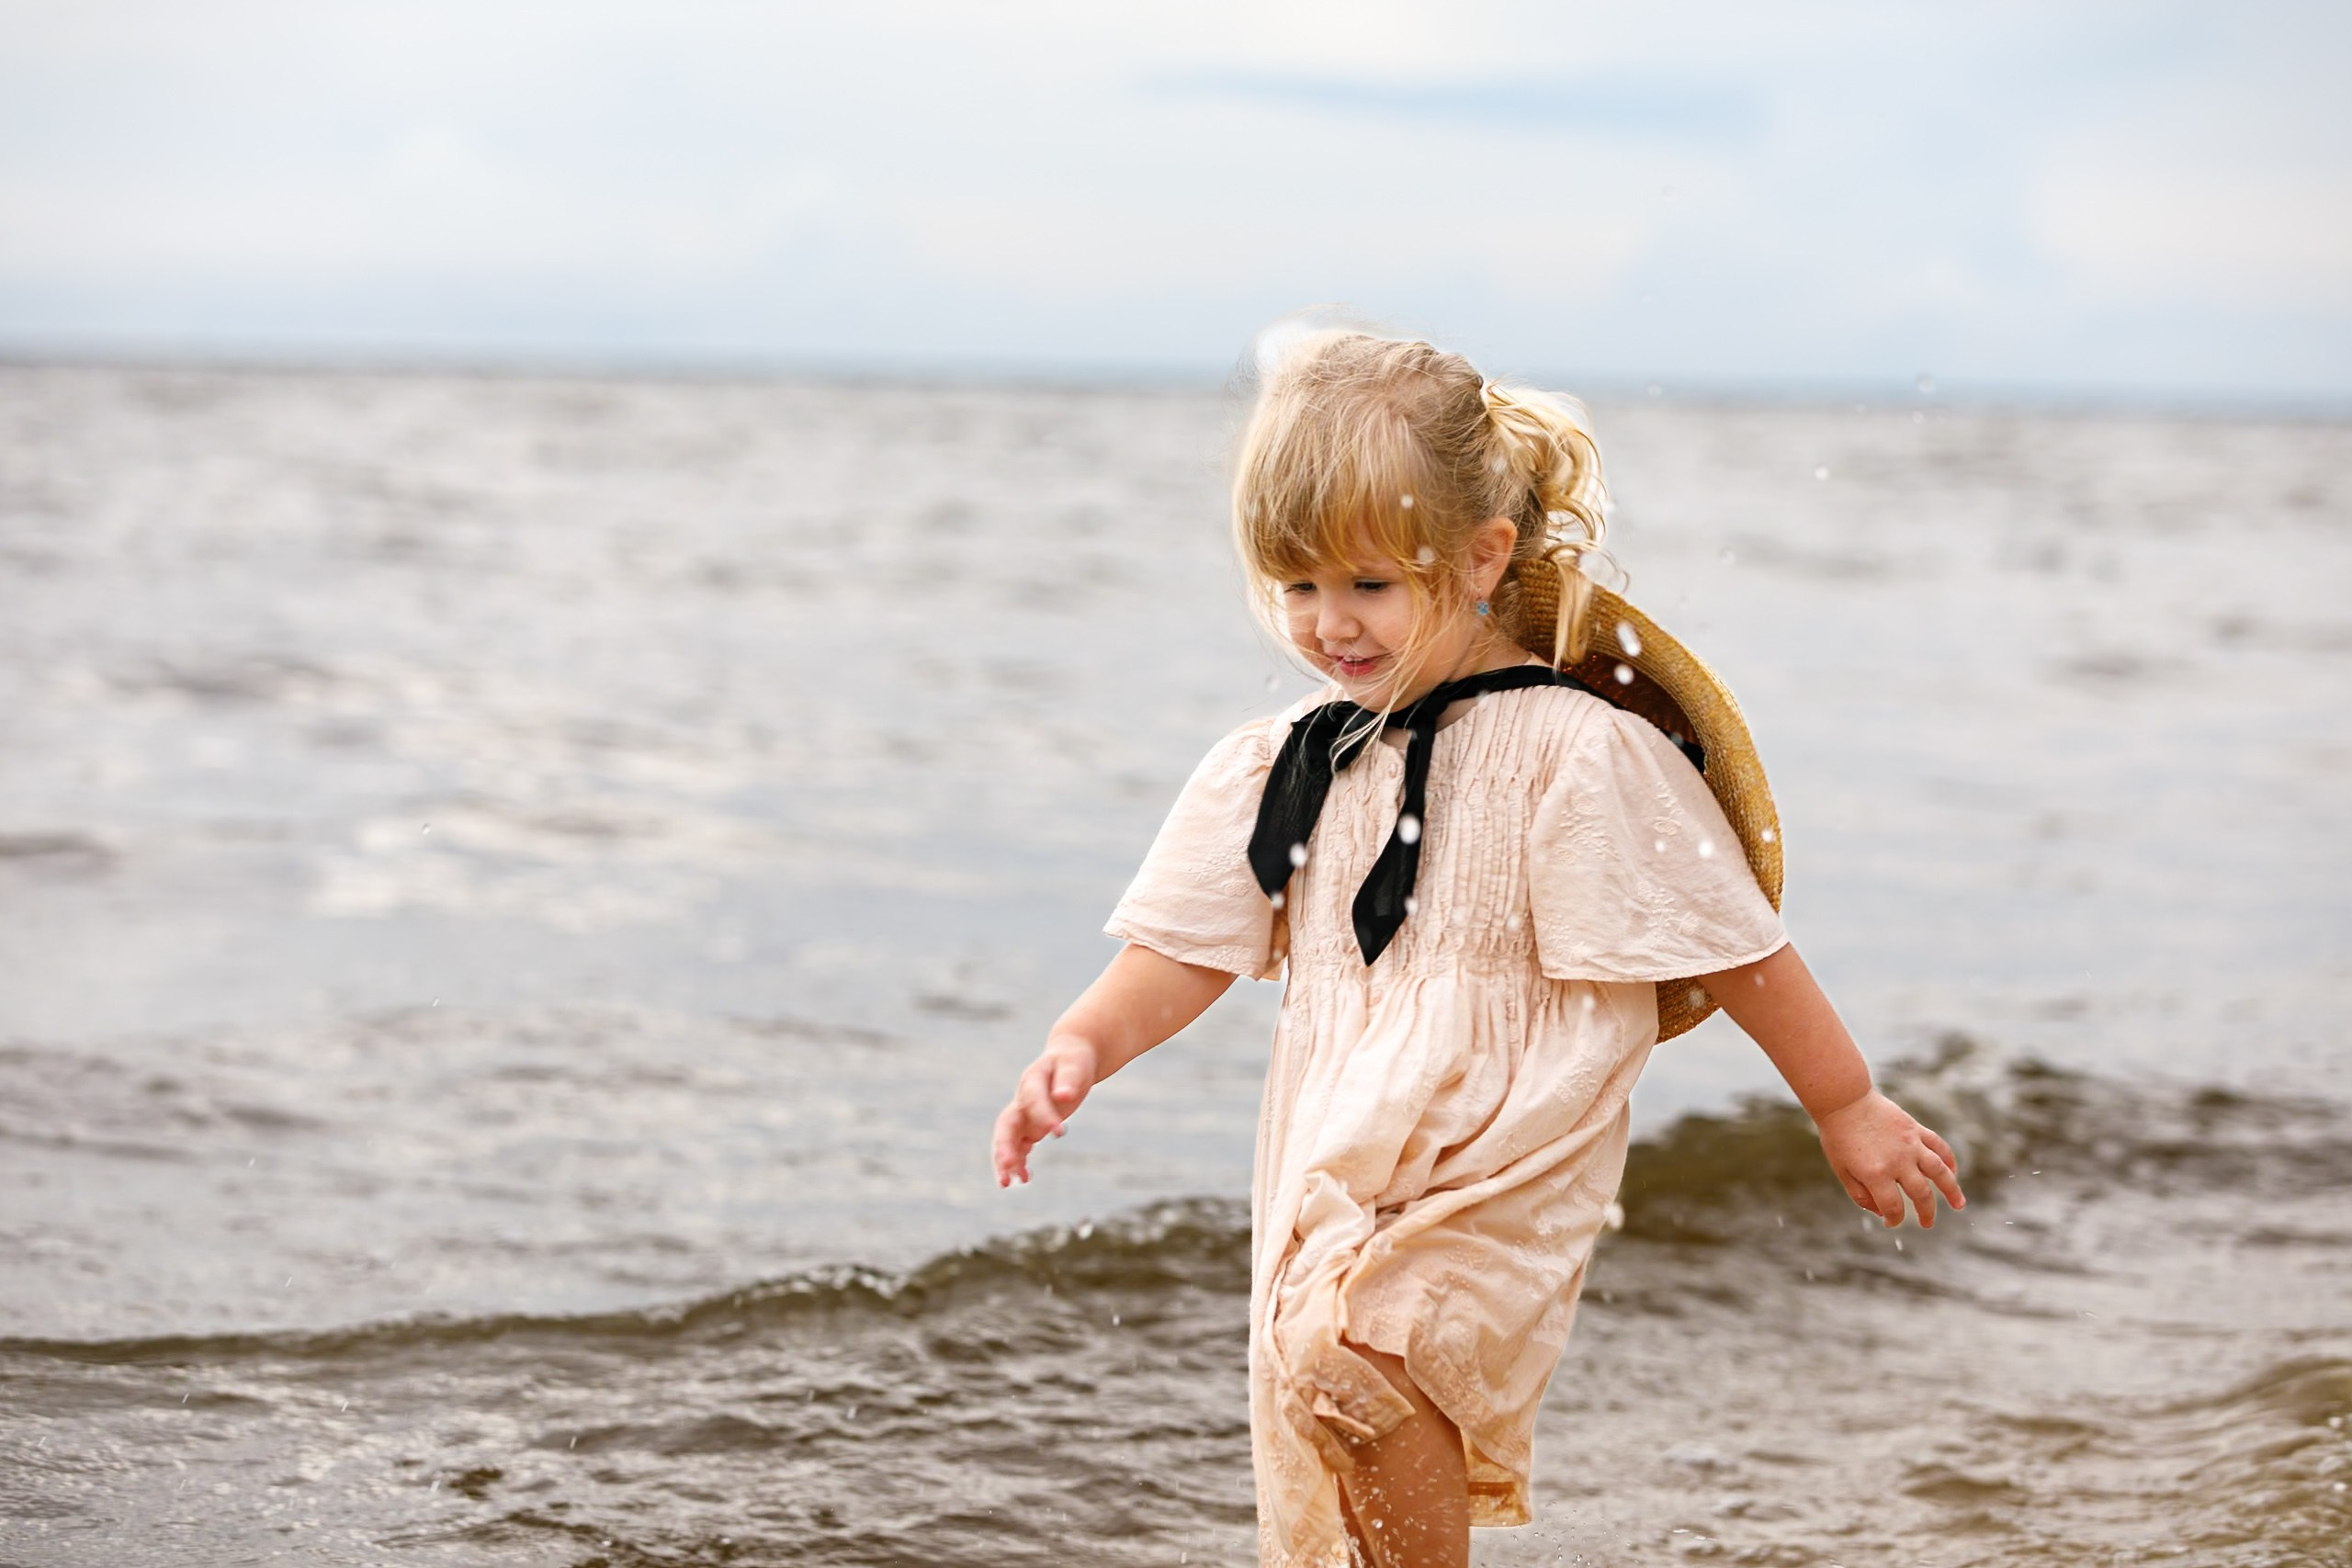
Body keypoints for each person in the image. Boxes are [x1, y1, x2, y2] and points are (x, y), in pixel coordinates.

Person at [989, 330, 1965, 1568]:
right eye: (1296, 588)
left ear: (1481, 556)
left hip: (1506, 1148)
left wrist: (1845, 1102)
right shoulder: (1282, 761)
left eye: (1368, 586)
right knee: (1323, 1389)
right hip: (1343, 1145)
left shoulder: (1578, 752)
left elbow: (1733, 944)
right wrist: (1081, 1044)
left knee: (1364, 1349)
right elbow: (1186, 948)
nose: (1328, 625)